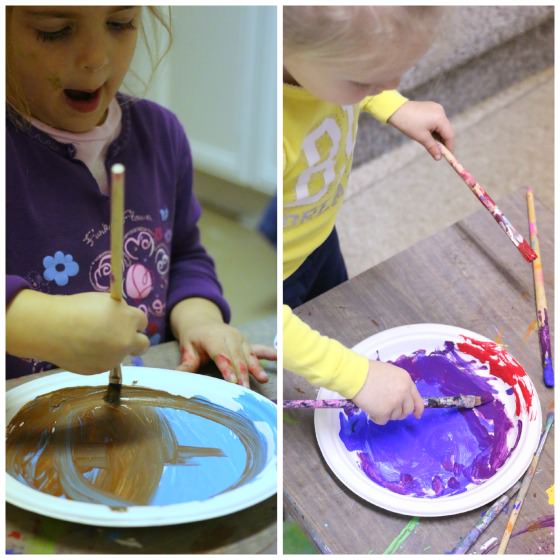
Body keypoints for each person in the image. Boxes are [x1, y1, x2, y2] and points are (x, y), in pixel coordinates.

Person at [6, 6, 275, 386]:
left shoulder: (162, 135)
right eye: (56, 30)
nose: (96, 58)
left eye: (120, 23)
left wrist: (200, 318)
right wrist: (35, 325)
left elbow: (183, 255)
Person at [283, 6, 455, 424]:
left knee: (341, 323)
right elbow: (258, 320)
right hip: (275, 283)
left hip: (320, 236)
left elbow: (367, 73)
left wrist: (393, 104)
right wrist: (355, 378)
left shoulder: (323, 63)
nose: (389, 84)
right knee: (291, 369)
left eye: (396, 72)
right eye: (366, 81)